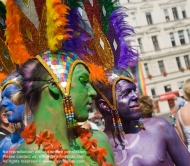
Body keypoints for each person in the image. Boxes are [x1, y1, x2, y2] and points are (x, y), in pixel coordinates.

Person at [2, 0, 114, 165]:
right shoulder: (21, 161)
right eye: (83, 81)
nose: (92, 91)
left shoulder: (101, 142)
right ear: (55, 86)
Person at [94, 68, 190, 166]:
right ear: (105, 105)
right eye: (126, 93)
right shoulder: (97, 148)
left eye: (134, 90)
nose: (135, 96)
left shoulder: (159, 127)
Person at [0, 72, 25, 162]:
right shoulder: (4, 145)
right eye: (3, 98)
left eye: (9, 95)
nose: (3, 103)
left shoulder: (51, 138)